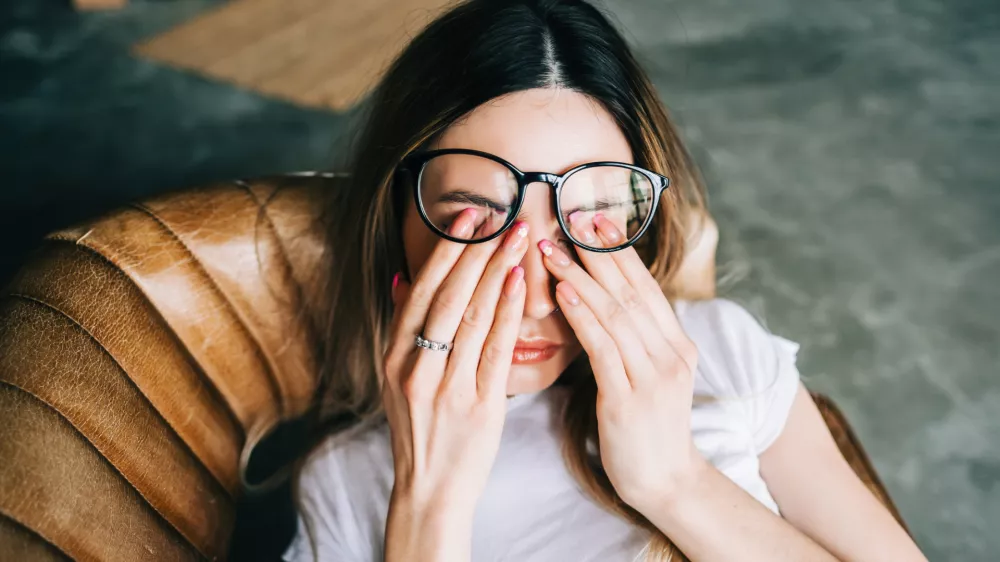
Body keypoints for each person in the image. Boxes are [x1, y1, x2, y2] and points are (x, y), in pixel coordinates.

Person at [284, 1, 926, 560]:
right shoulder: (346, 482)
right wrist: (429, 505)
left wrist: (674, 481)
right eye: (473, 223)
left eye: (588, 222)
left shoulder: (718, 353)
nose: (536, 298)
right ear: (394, 224)